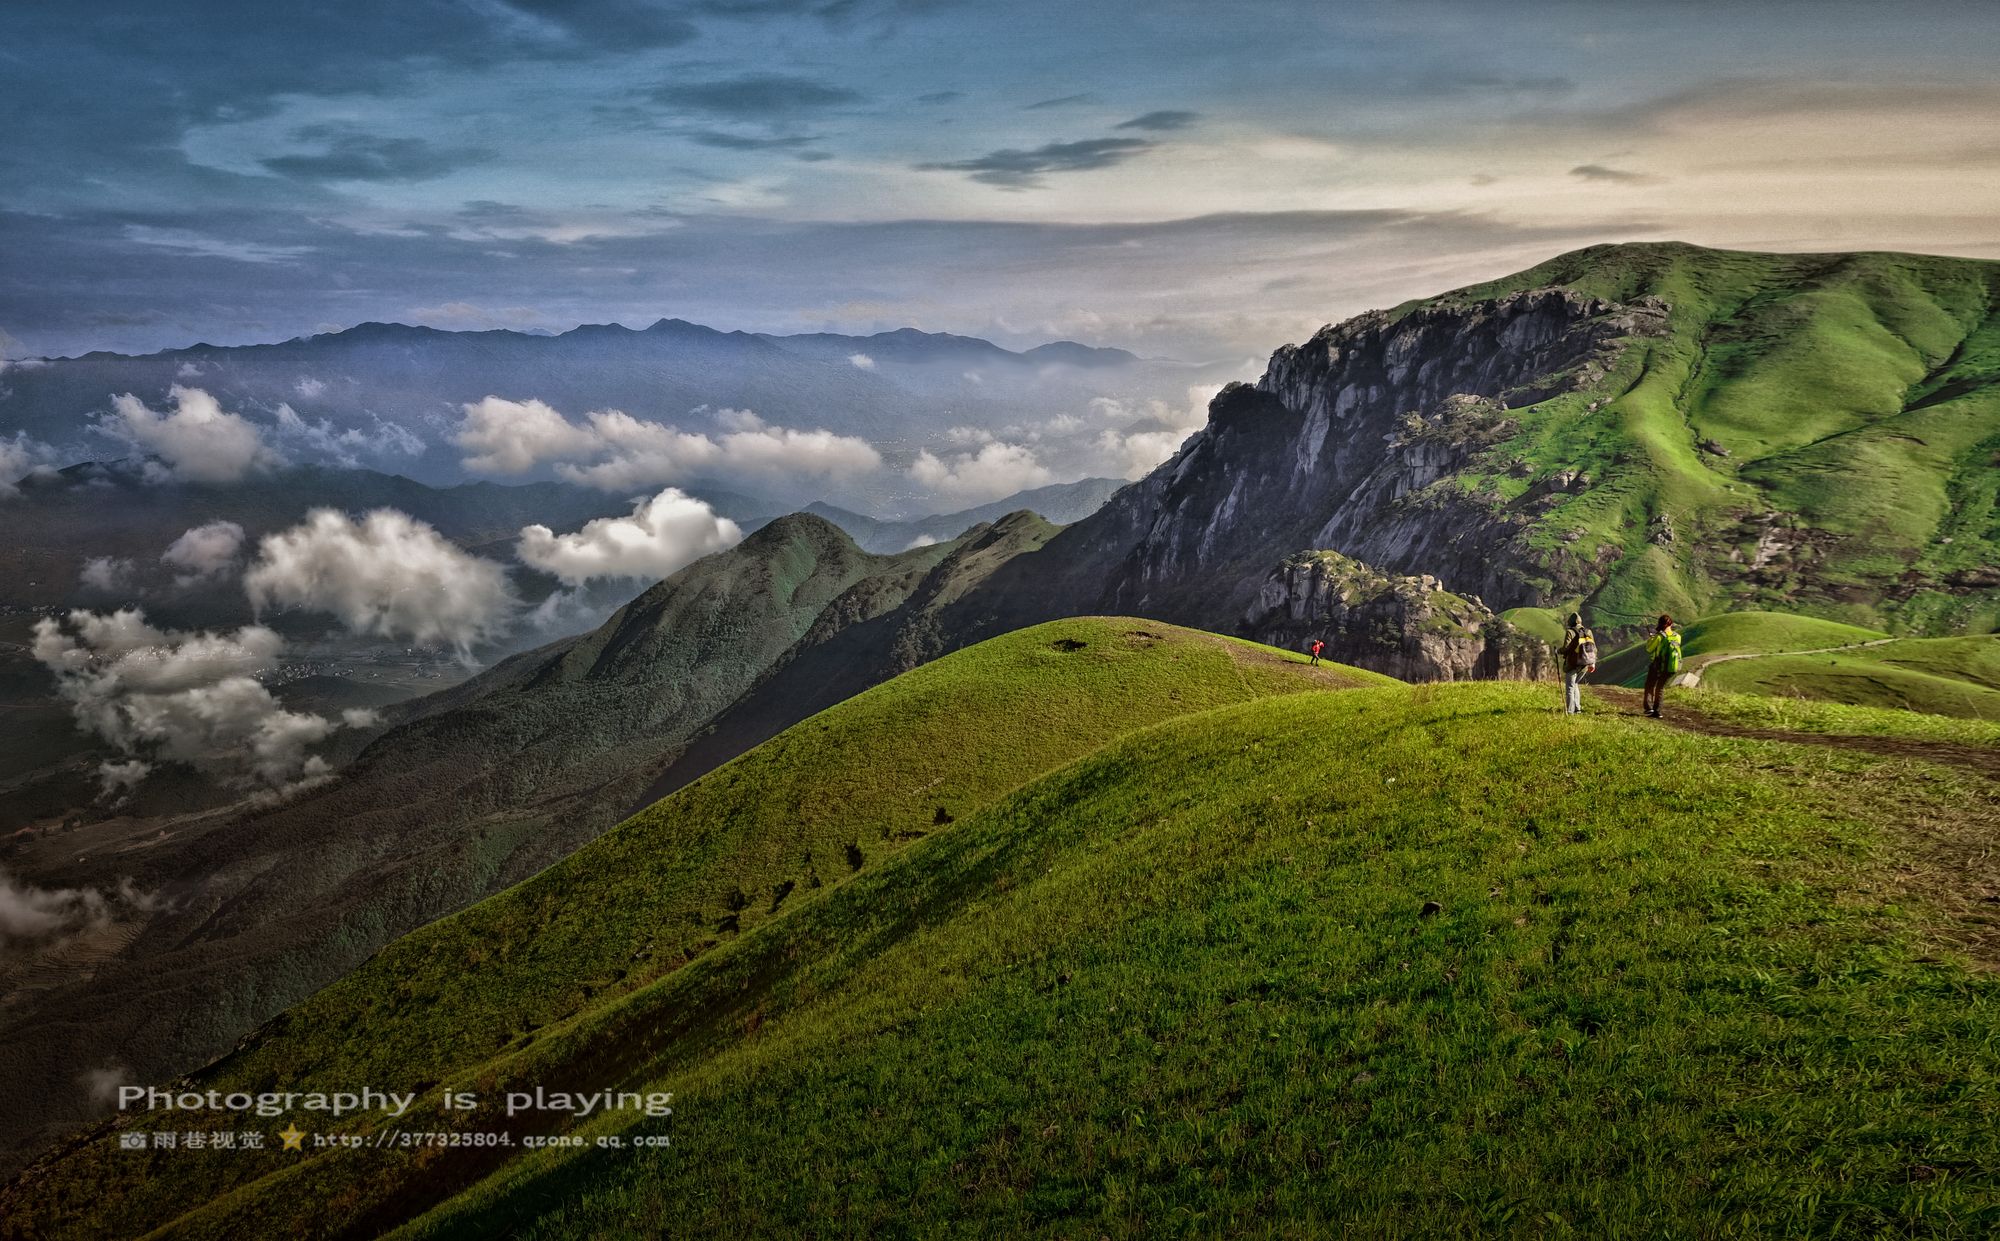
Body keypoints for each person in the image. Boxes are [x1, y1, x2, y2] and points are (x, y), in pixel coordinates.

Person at [1642, 613, 1682, 718]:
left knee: (1650, 685)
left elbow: (1649, 649)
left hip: (1657, 665)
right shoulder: (1677, 637)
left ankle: (1649, 708)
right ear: (1671, 624)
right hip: (1671, 666)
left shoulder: (1659, 637)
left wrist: (1651, 639)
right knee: (1660, 687)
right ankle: (1657, 711)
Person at [1558, 611, 1596, 714]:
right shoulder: (1588, 632)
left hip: (1573, 663)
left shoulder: (1570, 632)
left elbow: (1566, 648)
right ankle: (1577, 709)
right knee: (1575, 685)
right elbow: (1593, 649)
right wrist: (1592, 663)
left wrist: (1558, 651)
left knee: (1570, 687)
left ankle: (1570, 711)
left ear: (1570, 622)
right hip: (1585, 663)